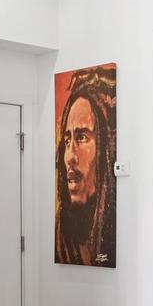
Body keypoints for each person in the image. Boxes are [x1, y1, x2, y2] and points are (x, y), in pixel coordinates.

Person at [54, 65, 117, 266]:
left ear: (105, 149)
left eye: (82, 137)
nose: (70, 157)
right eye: (67, 141)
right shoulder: (62, 242)